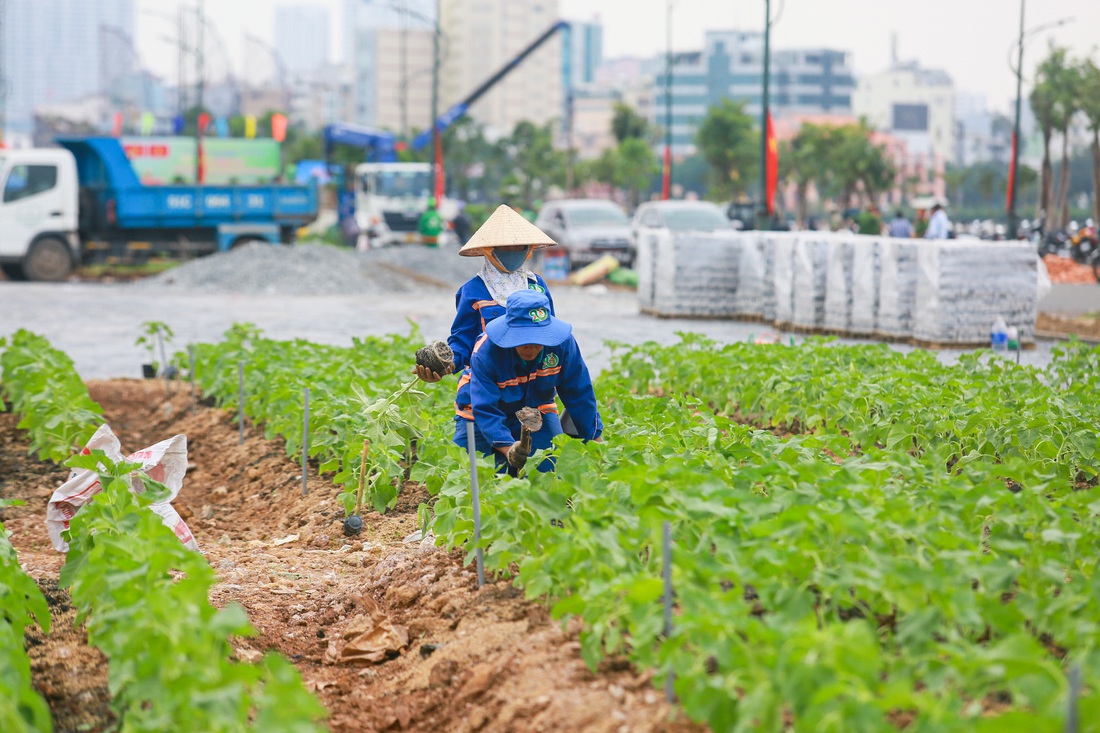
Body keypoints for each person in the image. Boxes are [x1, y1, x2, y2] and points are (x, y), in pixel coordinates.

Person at [458, 290, 602, 473]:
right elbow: (485, 408)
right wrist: (508, 448)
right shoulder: (487, 352)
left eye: (538, 339)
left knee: (548, 470)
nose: (531, 347)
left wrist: (596, 441)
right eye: (524, 339)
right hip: (478, 411)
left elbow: (579, 393)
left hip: (535, 407)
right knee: (482, 477)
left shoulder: (563, 345)